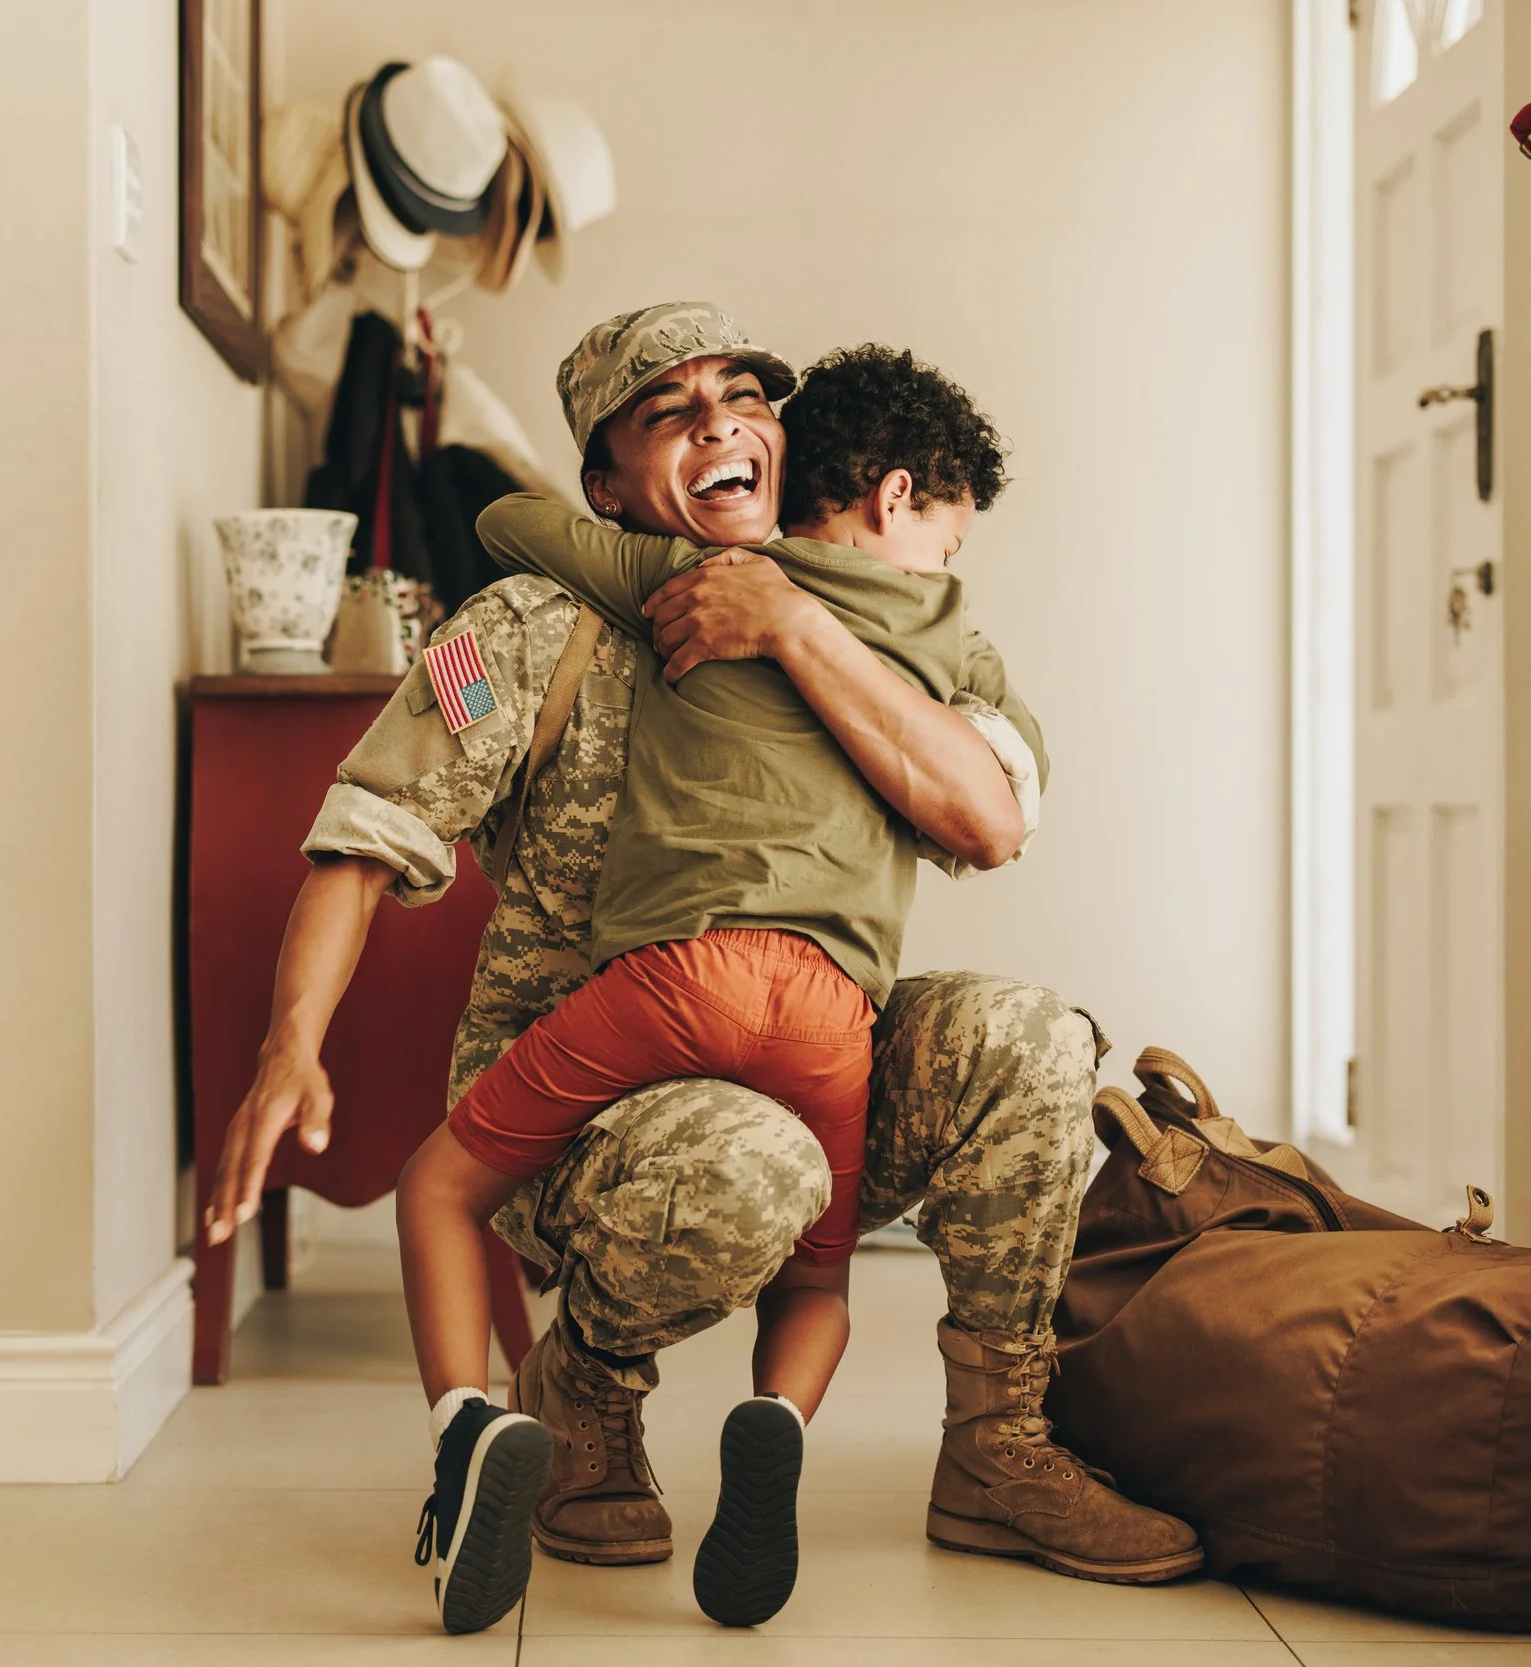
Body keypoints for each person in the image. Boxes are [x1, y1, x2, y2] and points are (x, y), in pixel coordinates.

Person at [202, 301, 1201, 1634]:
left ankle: (996, 1450)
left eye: (743, 398)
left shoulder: (871, 604)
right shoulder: (527, 626)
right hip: (588, 1095)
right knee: (754, 1164)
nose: (721, 424)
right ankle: (585, 1393)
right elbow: (364, 835)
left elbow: (991, 816)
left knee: (1031, 1036)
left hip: (814, 1037)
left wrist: (792, 626)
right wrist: (290, 1045)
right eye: (669, 411)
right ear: (609, 486)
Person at [393, 341, 1034, 1629]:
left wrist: (728, 583)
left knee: (439, 1186)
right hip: (834, 1014)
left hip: (682, 976)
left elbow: (506, 521)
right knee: (821, 1282)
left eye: (746, 406)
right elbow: (1003, 794)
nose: (946, 564)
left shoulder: (693, 581)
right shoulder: (943, 635)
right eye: (948, 537)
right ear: (895, 499)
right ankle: (773, 1417)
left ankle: (470, 1428)